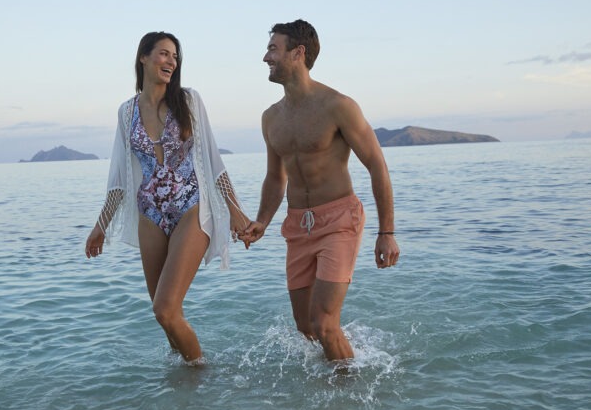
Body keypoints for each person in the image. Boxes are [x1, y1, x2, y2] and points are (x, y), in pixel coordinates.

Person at [84, 31, 251, 364]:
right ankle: (183, 386)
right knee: (165, 317)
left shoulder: (188, 101)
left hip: (191, 207)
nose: (171, 62)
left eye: (175, 57)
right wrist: (100, 225)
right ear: (143, 57)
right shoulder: (126, 112)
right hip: (150, 214)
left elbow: (214, 161)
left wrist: (236, 211)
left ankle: (202, 373)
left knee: (165, 308)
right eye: (163, 54)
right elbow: (119, 176)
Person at [242, 19, 400, 361]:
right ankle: (336, 371)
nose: (265, 57)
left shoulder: (337, 105)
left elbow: (376, 165)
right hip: (298, 225)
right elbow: (274, 177)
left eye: (273, 49)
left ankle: (348, 392)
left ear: (298, 53)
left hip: (339, 219)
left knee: (324, 323)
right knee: (306, 327)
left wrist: (386, 231)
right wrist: (262, 221)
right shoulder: (271, 118)